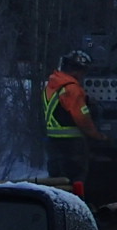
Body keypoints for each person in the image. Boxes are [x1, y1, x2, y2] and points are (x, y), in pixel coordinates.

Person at [42, 50, 102, 190]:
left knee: (56, 181)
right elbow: (83, 118)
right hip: (72, 144)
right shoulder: (72, 88)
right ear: (78, 70)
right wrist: (98, 135)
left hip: (53, 143)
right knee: (76, 180)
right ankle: (77, 207)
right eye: (83, 72)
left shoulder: (52, 85)